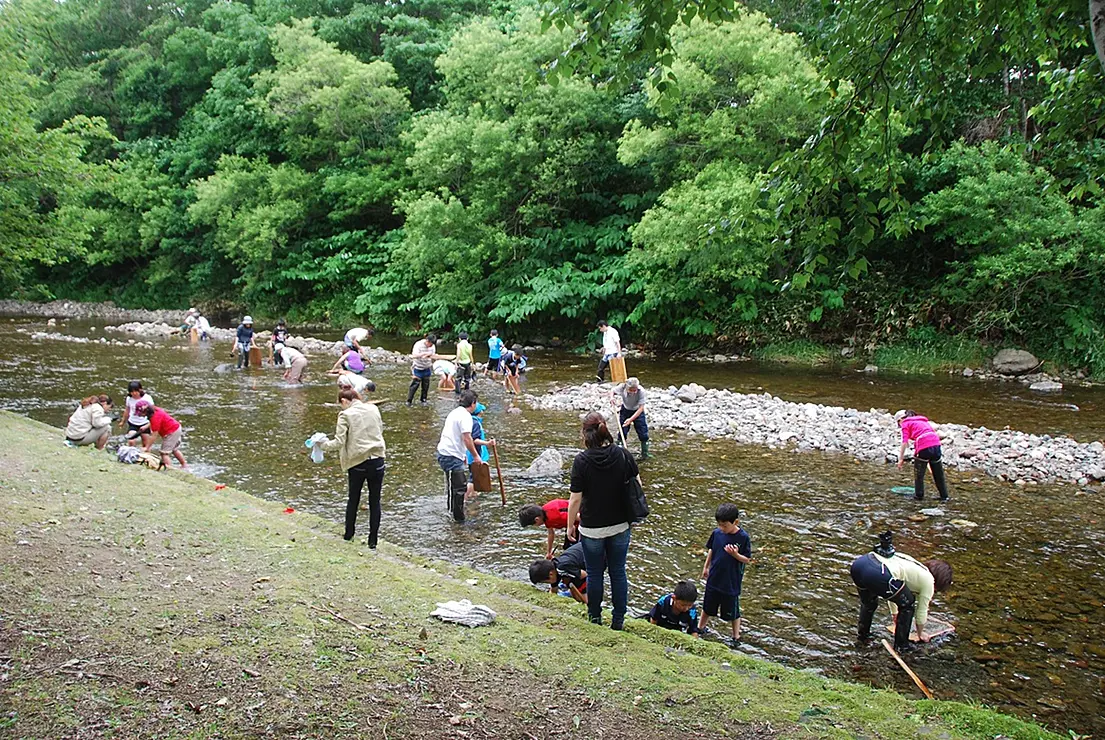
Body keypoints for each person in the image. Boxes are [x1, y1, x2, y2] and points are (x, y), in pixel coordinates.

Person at [566, 412, 638, 630]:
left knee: (595, 573)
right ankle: (618, 620)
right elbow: (635, 483)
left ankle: (595, 617)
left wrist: (570, 525)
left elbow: (575, 499)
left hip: (592, 527)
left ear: (585, 434)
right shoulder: (623, 454)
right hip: (620, 524)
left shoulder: (581, 461)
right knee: (618, 571)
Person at [850, 531, 953, 650]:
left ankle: (863, 636)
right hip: (879, 572)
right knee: (908, 604)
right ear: (938, 582)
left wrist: (894, 614)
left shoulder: (913, 566)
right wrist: (921, 634)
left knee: (869, 603)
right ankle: (902, 646)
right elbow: (921, 612)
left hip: (861, 563)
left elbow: (894, 590)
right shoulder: (929, 581)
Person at [321, 387, 387, 546]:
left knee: (354, 499)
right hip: (378, 460)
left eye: (341, 404)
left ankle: (349, 534)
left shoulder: (345, 415)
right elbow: (380, 429)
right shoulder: (374, 409)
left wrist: (322, 445)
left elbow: (339, 442)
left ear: (344, 401)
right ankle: (373, 541)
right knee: (375, 501)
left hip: (358, 463)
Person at [698, 503, 752, 643]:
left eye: (725, 525)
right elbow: (711, 549)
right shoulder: (717, 533)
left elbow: (747, 559)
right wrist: (706, 567)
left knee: (732, 610)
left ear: (735, 522)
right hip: (714, 577)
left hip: (731, 581)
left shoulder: (743, 537)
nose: (722, 528)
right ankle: (700, 627)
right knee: (708, 605)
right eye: (719, 525)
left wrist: (735, 555)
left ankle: (736, 636)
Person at [436, 390, 481, 522]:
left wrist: (463, 455)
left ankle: (453, 514)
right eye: (476, 402)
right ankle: (458, 519)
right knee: (459, 488)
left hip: (449, 453)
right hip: (450, 454)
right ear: (472, 403)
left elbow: (456, 436)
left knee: (455, 486)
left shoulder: (455, 412)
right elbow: (467, 438)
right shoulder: (466, 416)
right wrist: (476, 456)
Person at [897, 410, 950, 501]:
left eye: (898, 423)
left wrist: (900, 459)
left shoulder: (905, 423)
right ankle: (944, 497)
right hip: (936, 445)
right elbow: (928, 436)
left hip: (924, 446)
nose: (900, 426)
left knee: (919, 474)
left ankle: (919, 496)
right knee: (938, 474)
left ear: (901, 419)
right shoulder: (923, 421)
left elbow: (904, 442)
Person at [135, 400, 188, 470]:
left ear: (145, 411)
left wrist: (147, 447)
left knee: (164, 453)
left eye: (141, 414)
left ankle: (169, 469)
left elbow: (154, 436)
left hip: (171, 432)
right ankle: (184, 465)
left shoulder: (155, 418)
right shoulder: (155, 410)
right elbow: (158, 421)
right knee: (174, 449)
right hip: (176, 427)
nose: (141, 416)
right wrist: (146, 426)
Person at [612, 377, 649, 459]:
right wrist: (612, 398)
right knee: (622, 431)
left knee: (643, 433)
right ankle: (620, 451)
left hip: (637, 411)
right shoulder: (622, 387)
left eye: (634, 390)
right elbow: (612, 391)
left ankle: (645, 453)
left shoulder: (641, 391)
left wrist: (631, 419)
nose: (633, 392)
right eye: (631, 390)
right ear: (627, 387)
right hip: (625, 410)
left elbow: (641, 408)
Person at [407, 333, 440, 406]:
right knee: (414, 385)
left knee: (425, 386)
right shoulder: (418, 344)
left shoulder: (433, 346)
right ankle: (409, 401)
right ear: (427, 341)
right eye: (430, 344)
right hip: (418, 367)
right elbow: (414, 355)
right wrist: (423, 354)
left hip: (427, 367)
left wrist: (433, 356)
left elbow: (432, 355)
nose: (431, 346)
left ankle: (423, 400)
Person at [119, 381, 153, 448]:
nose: (134, 393)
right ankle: (132, 453)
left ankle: (145, 456)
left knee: (146, 443)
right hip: (133, 422)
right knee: (131, 441)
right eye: (132, 392)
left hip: (145, 422)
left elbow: (153, 412)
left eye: (136, 391)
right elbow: (127, 410)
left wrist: (151, 426)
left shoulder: (147, 398)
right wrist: (123, 421)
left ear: (140, 390)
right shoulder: (129, 399)